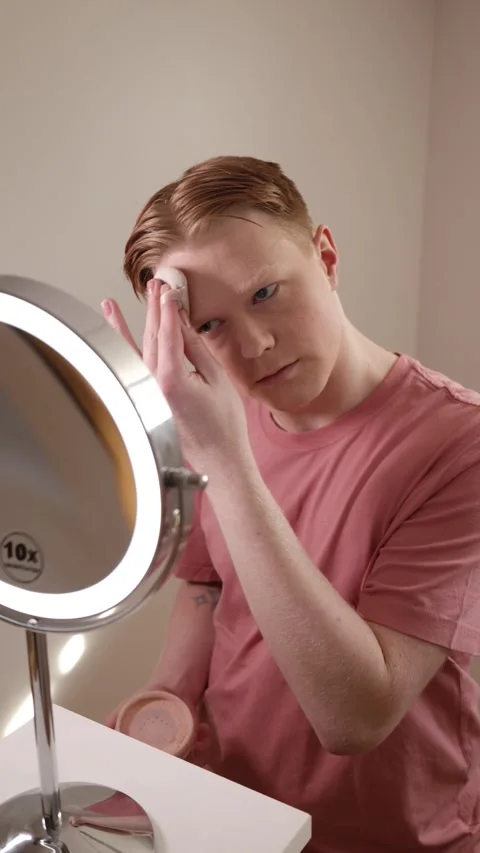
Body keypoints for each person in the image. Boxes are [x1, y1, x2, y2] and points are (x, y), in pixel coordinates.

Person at [102, 156, 480, 852]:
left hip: (391, 834)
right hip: (235, 810)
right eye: (210, 327)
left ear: (327, 258)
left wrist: (225, 458)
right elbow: (207, 576)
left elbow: (356, 718)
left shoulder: (460, 443)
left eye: (267, 291)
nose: (255, 346)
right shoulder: (210, 410)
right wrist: (172, 691)